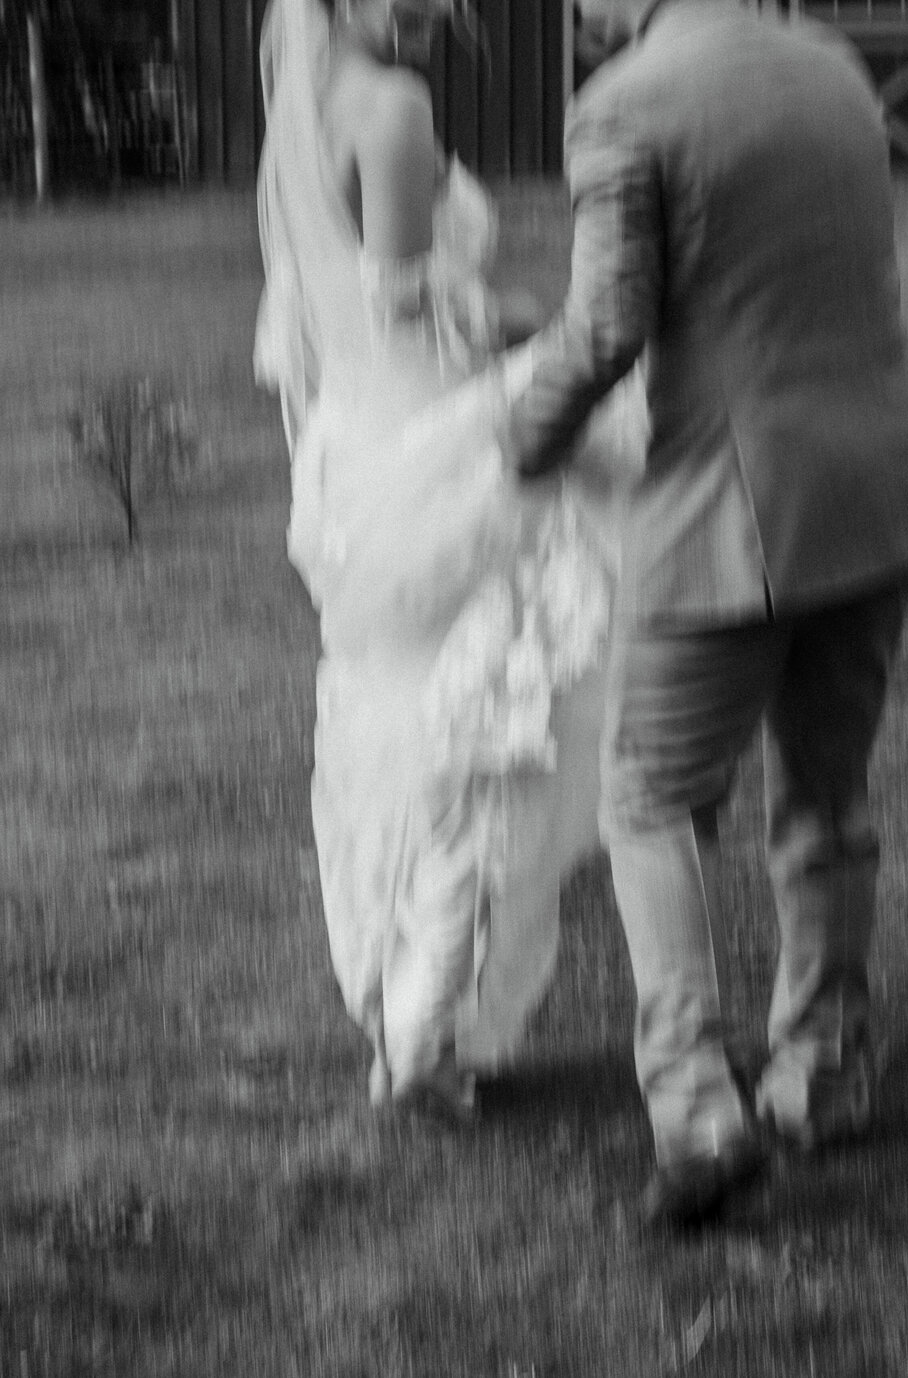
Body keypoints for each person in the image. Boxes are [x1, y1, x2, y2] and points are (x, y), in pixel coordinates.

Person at [500, 0, 908, 1227]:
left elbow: (609, 324)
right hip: (880, 479)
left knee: (650, 795)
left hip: (737, 497)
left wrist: (518, 434)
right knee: (827, 792)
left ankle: (695, 1099)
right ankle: (823, 1074)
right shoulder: (829, 67)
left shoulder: (626, 103)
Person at [255, 0, 641, 1119]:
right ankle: (427, 1022)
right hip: (437, 455)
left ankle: (399, 994)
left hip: (355, 458)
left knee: (398, 716)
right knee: (493, 726)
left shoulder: (303, 119)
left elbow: (309, 324)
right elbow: (411, 303)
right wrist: (540, 319)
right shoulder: (392, 109)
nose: (436, 10)